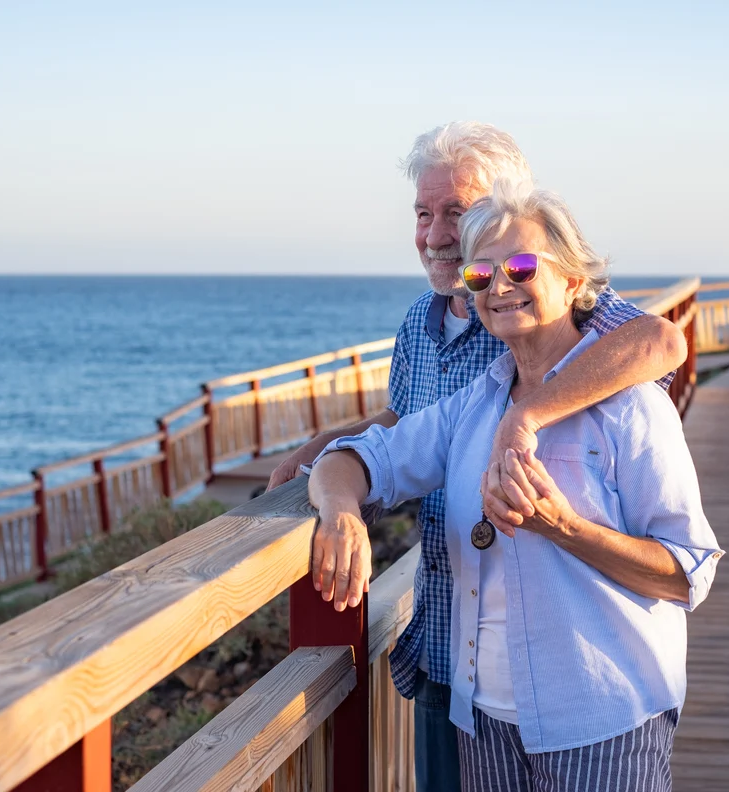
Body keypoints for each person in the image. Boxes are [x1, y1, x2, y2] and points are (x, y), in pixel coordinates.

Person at [268, 122, 687, 792]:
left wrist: (526, 415)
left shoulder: (543, 313)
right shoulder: (421, 321)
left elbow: (661, 343)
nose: (435, 234)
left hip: (578, 672)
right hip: (453, 643)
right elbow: (412, 427)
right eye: (424, 213)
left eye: (456, 213)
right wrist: (332, 455)